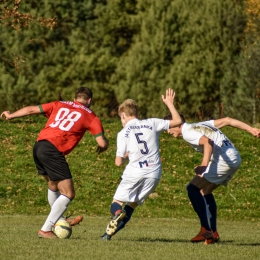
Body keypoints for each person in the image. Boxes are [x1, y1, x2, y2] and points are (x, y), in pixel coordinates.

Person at [1, 87, 109, 239]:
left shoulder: (59, 104)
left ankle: (60, 220)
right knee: (68, 193)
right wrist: (105, 144)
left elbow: (32, 109)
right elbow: (102, 143)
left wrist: (11, 115)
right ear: (90, 101)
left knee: (53, 185)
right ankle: (46, 229)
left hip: (39, 145)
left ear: (75, 98)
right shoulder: (91, 116)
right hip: (53, 150)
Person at [165, 113, 260, 244]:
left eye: (169, 127)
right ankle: (213, 233)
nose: (168, 131)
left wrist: (204, 165)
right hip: (234, 156)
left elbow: (207, 142)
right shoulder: (201, 124)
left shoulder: (187, 132)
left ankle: (206, 230)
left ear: (177, 123)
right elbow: (228, 120)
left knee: (192, 189)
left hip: (223, 159)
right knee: (205, 192)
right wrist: (251, 129)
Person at [101, 88, 182, 241]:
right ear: (136, 113)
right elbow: (178, 121)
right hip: (154, 173)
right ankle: (107, 236)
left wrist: (126, 155)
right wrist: (170, 104)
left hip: (134, 172)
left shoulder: (123, 132)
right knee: (131, 206)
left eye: (121, 118)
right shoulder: (152, 123)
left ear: (123, 115)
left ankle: (117, 214)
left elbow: (118, 163)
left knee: (117, 203)